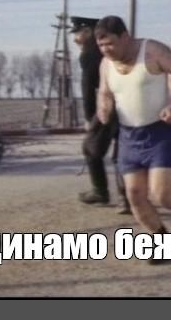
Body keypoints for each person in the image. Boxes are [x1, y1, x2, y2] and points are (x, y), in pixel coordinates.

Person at [95, 15, 171, 263]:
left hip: (159, 132)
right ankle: (161, 242)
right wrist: (103, 108)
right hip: (128, 136)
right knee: (134, 195)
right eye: (101, 45)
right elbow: (105, 92)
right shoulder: (106, 64)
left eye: (110, 43)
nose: (106, 49)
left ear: (125, 36)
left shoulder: (152, 50)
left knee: (161, 194)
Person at [70, 16, 131, 214]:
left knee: (90, 147)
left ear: (88, 32)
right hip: (127, 103)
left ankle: (100, 191)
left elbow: (87, 88)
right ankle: (126, 199)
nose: (75, 39)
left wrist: (89, 118)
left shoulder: (90, 54)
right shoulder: (112, 49)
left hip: (109, 107)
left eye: (77, 34)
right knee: (122, 151)